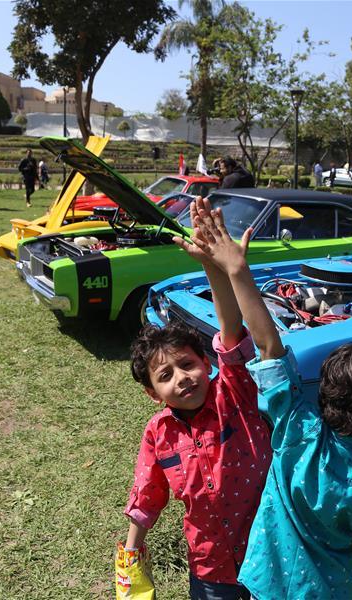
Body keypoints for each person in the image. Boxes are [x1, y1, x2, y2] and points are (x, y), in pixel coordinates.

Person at [181, 197, 352, 599]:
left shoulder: (296, 428)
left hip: (262, 586)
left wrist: (236, 270)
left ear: (325, 393)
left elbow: (268, 347)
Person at [121, 199, 273, 599]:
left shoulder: (234, 394)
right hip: (210, 569)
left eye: (187, 364)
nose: (182, 379)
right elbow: (147, 495)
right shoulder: (158, 433)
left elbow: (230, 325)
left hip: (270, 557)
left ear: (206, 362)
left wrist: (212, 263)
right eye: (166, 376)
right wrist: (131, 551)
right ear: (153, 393)